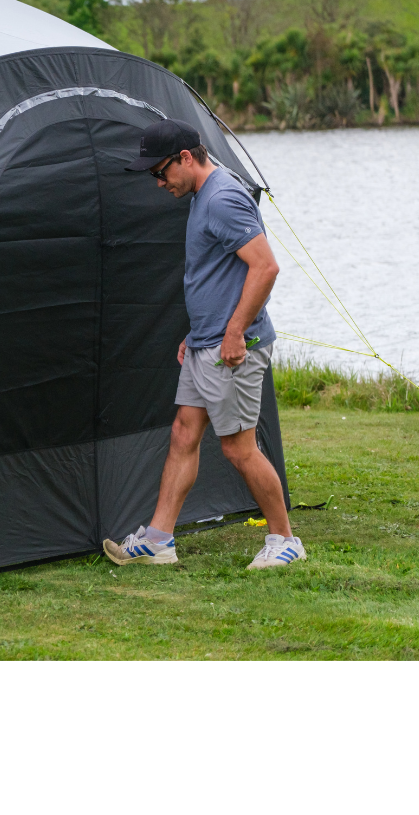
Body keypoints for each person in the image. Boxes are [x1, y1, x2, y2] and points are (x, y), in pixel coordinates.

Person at [103, 119, 305, 570]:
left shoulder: (222, 198)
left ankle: (285, 540)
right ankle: (159, 540)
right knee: (183, 433)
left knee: (238, 447)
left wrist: (233, 332)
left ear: (185, 158)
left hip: (232, 349)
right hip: (205, 343)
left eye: (160, 172)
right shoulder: (203, 195)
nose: (159, 183)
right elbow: (219, 274)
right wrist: (196, 333)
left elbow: (266, 267)